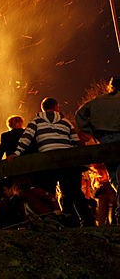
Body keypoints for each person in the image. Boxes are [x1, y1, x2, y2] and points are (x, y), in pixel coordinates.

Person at [9, 97, 94, 227]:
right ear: (56, 107)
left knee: (48, 192)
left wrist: (16, 153)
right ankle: (82, 220)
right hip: (66, 160)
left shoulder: (36, 121)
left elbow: (26, 138)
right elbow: (75, 141)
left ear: (43, 108)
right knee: (72, 192)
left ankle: (52, 221)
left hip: (47, 161)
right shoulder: (65, 122)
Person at [75, 76, 120, 218]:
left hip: (105, 141)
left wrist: (90, 131)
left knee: (113, 176)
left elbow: (79, 115)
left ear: (111, 86)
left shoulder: (97, 101)